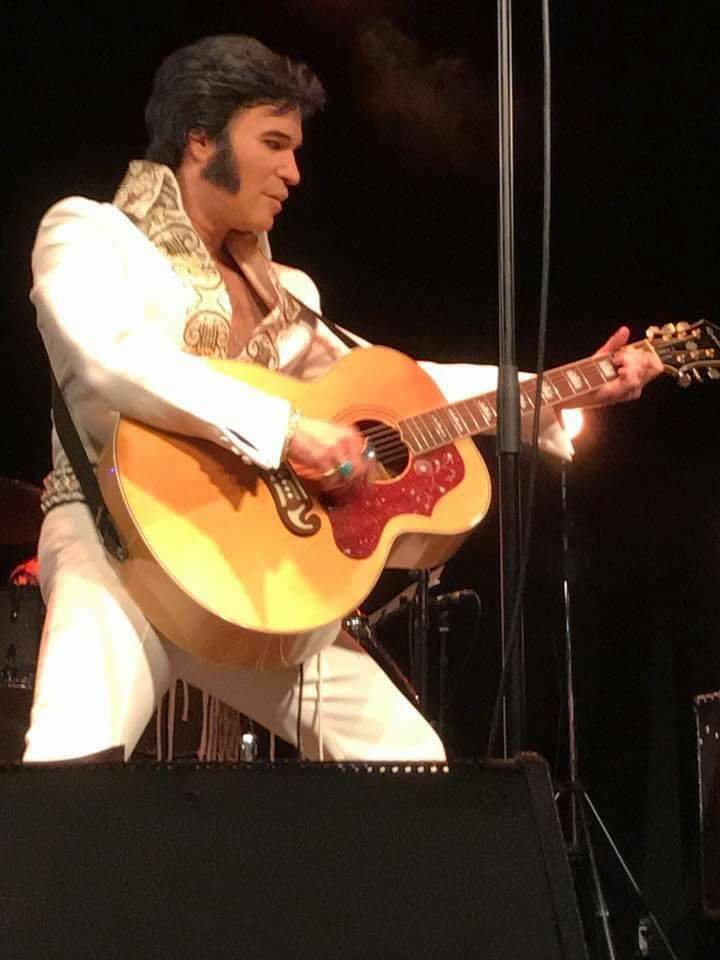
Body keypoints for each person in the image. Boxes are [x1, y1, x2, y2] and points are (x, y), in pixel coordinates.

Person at [25, 35, 662, 765]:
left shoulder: (287, 294)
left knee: (409, 764)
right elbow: (107, 356)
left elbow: (396, 385)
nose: (293, 172)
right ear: (200, 139)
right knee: (71, 773)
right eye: (273, 143)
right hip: (114, 547)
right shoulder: (91, 234)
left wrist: (553, 386)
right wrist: (289, 431)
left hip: (247, 567)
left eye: (296, 150)